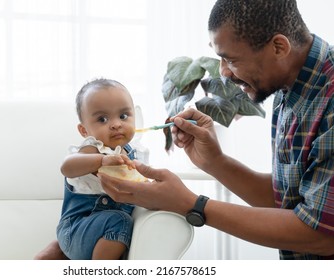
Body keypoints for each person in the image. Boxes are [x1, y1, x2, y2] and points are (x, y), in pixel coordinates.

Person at [99, 0, 334, 260]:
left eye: (230, 59)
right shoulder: (291, 83)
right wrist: (215, 162)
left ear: (279, 47)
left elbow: (322, 234)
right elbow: (289, 200)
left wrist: (190, 204)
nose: (223, 73)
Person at [52, 78, 142, 260]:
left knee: (122, 222)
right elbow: (67, 167)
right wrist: (102, 160)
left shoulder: (133, 154)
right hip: (77, 230)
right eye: (102, 119)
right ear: (84, 130)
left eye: (124, 116)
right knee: (120, 221)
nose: (116, 124)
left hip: (105, 234)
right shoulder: (93, 148)